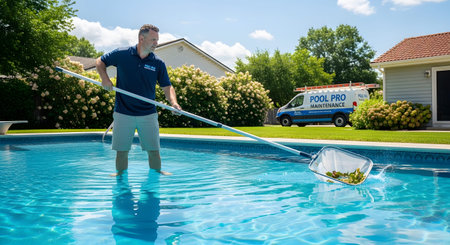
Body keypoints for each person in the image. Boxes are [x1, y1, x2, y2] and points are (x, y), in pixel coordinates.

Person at [96, 24, 181, 176]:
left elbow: (167, 87)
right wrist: (105, 79)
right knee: (122, 151)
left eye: (157, 40)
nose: (156, 43)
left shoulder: (158, 63)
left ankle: (156, 176)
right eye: (153, 39)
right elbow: (100, 62)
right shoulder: (122, 54)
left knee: (153, 150)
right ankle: (120, 179)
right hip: (123, 112)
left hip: (148, 113)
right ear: (142, 38)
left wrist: (173, 103)